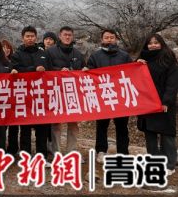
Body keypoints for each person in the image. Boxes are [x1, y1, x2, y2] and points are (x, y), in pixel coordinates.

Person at [87, 29, 133, 163]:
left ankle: (123, 152)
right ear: (102, 40)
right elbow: (89, 72)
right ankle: (101, 151)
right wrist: (87, 70)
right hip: (102, 95)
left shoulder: (124, 56)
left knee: (122, 126)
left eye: (111, 37)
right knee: (101, 125)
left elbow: (132, 71)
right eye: (106, 38)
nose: (109, 40)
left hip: (121, 96)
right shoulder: (95, 56)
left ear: (116, 39)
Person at [137, 34, 178, 175]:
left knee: (167, 134)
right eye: (150, 43)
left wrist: (166, 101)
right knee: (150, 134)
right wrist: (137, 64)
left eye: (156, 42)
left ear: (162, 44)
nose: (153, 45)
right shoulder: (142, 59)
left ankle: (170, 164)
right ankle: (155, 162)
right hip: (146, 103)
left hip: (164, 103)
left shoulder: (168, 59)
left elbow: (172, 83)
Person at [46, 26, 87, 155]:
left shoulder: (78, 54)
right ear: (60, 36)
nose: (67, 37)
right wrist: (59, 72)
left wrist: (84, 71)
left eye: (70, 35)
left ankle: (72, 152)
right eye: (65, 34)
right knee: (56, 123)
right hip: (56, 91)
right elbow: (45, 71)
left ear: (72, 37)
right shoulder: (50, 52)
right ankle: (56, 151)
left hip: (73, 93)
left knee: (73, 123)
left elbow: (83, 71)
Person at [10, 26, 49, 158]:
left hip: (41, 96)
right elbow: (15, 71)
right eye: (27, 36)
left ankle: (41, 155)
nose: (30, 38)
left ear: (36, 37)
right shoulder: (17, 54)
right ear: (23, 38)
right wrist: (33, 69)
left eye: (32, 36)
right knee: (25, 127)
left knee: (42, 127)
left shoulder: (43, 54)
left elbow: (51, 71)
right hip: (24, 95)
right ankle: (25, 154)